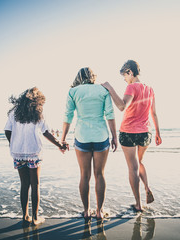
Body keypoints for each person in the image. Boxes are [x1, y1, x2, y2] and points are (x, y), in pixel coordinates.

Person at [102, 60, 162, 212]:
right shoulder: (150, 88)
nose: (125, 79)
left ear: (130, 71)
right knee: (139, 162)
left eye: (124, 75)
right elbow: (153, 113)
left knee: (132, 168)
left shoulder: (131, 87)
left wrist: (110, 88)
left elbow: (122, 106)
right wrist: (158, 133)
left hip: (129, 132)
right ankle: (147, 188)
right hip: (145, 133)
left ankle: (138, 204)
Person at [4, 87, 67, 226]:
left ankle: (25, 216)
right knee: (35, 185)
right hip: (34, 152)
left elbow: (7, 130)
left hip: (18, 153)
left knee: (24, 185)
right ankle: (35, 218)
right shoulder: (38, 112)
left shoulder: (14, 112)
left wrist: (13, 143)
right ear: (38, 100)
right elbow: (46, 132)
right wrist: (60, 145)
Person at [61, 67, 117, 220]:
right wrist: (115, 137)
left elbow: (68, 116)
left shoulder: (73, 92)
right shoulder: (102, 90)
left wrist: (63, 138)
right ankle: (99, 211)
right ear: (93, 76)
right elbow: (110, 115)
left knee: (84, 176)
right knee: (100, 175)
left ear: (79, 76)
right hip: (101, 136)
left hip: (82, 136)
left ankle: (86, 211)